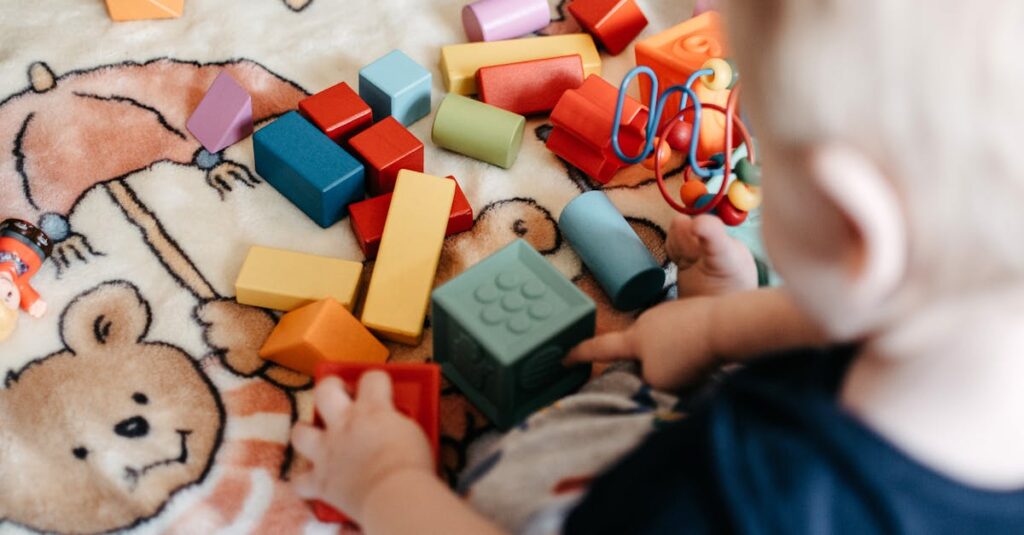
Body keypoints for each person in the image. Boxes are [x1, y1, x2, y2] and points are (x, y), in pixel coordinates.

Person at [290, 0, 1024, 532]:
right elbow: (872, 318)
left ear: (850, 227)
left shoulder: (723, 501)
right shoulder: (975, 315)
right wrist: (716, 329)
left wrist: (386, 484)